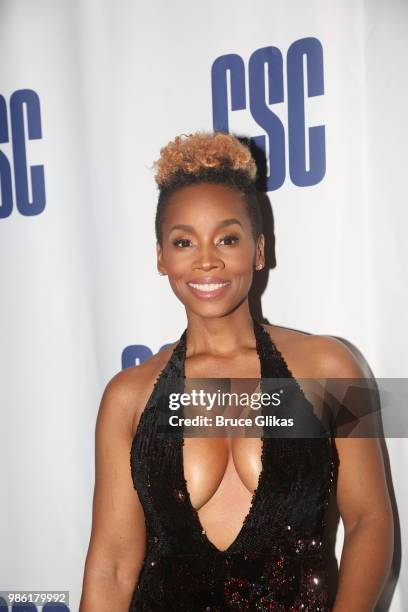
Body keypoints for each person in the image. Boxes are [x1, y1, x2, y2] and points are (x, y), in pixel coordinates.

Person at [80, 132, 393, 611]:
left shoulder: (331, 368)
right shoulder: (129, 396)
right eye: (183, 241)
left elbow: (371, 522)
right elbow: (113, 566)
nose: (206, 259)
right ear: (162, 257)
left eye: (227, 238)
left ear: (259, 250)